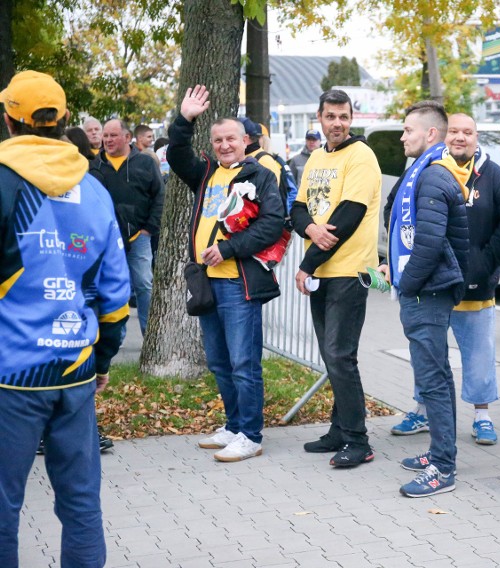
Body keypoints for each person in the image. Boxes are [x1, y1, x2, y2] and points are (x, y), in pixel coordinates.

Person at [0, 70, 130, 568]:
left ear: (9, 119)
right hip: (75, 372)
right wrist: (101, 360)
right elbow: (116, 294)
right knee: (80, 504)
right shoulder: (94, 189)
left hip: (12, 376)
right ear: (64, 122)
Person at [167, 85, 286, 462]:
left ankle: (251, 434)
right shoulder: (205, 174)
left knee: (243, 362)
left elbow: (271, 224)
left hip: (238, 282)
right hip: (207, 282)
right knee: (219, 361)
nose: (223, 145)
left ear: (245, 140)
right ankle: (234, 425)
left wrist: (228, 249)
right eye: (217, 140)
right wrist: (185, 120)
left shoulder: (260, 174)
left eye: (231, 138)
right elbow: (175, 154)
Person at [390, 114, 500, 445]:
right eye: (455, 132)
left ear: (477, 137)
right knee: (427, 352)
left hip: (475, 284)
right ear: (443, 136)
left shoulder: (493, 175)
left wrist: (485, 262)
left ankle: (482, 415)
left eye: (468, 132)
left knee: (478, 353)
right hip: (432, 288)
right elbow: (395, 208)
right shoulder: (424, 171)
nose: (460, 137)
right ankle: (421, 409)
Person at [291, 89, 381, 468]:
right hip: (324, 272)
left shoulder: (361, 155)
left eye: (344, 116)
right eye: (331, 116)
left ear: (352, 117)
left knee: (341, 356)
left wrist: (307, 263)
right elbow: (296, 209)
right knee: (331, 356)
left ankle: (359, 441)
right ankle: (339, 430)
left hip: (349, 271)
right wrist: (310, 229)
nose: (338, 123)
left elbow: (347, 216)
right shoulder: (315, 157)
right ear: (320, 118)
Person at [384, 100, 470, 497]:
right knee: (437, 377)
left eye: (408, 130)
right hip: (426, 289)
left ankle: (442, 468)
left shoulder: (433, 177)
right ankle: (440, 450)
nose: (402, 136)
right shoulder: (428, 172)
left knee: (433, 379)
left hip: (427, 292)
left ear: (430, 134)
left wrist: (409, 283)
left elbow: (430, 243)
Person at [91, 119, 164, 336]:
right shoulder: (94, 165)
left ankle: (149, 336)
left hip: (138, 237)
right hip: (106, 239)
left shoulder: (145, 162)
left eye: (113, 135)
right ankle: (114, 340)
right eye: (106, 136)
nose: (108, 140)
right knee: (111, 288)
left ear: (127, 137)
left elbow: (159, 196)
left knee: (143, 284)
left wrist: (149, 228)